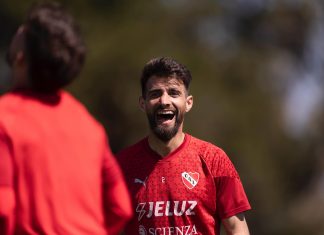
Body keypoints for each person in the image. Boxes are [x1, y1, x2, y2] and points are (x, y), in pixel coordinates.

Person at [0, 2, 132, 235]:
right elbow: (120, 207)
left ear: (21, 57)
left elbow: (3, 209)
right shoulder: (90, 126)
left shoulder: (5, 118)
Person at [117, 57, 251, 235]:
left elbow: (237, 229)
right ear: (143, 103)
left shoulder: (214, 160)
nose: (164, 101)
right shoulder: (122, 166)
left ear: (188, 103)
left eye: (173, 93)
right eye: (155, 94)